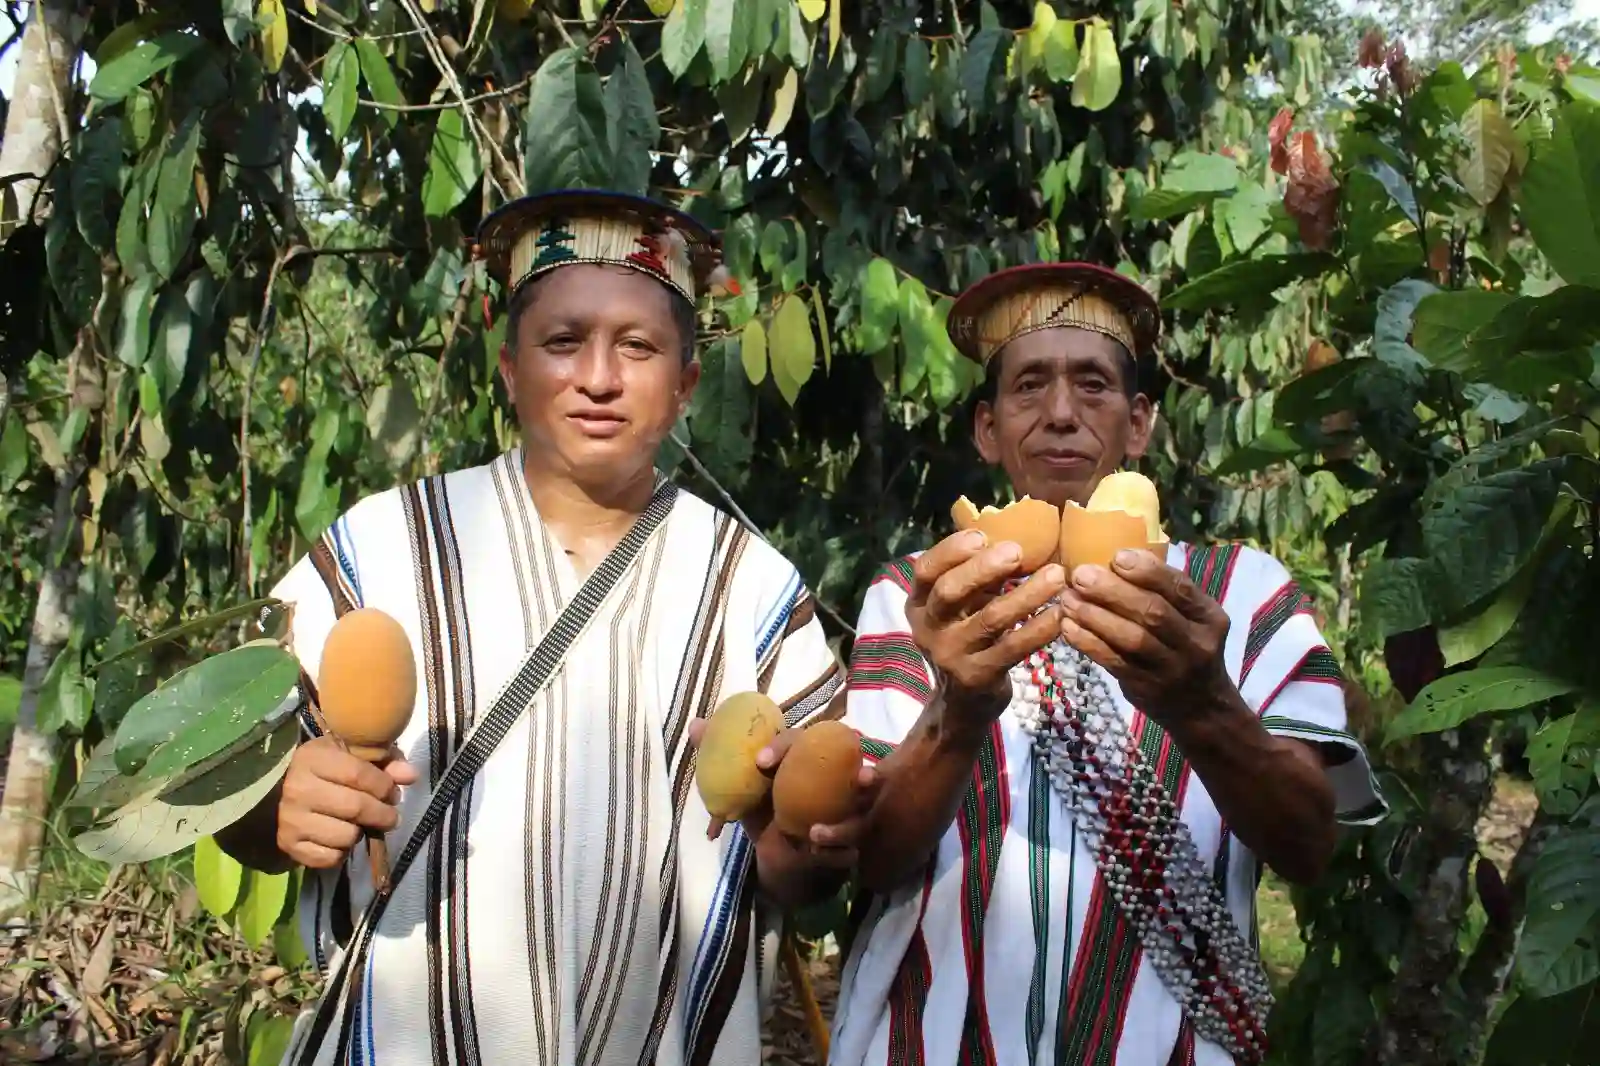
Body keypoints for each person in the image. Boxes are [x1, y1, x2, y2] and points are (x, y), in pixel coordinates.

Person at [215, 190, 865, 1066]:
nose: (599, 377)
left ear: (685, 386)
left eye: (637, 346)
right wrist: (277, 801)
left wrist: (808, 830)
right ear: (510, 369)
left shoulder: (750, 585)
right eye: (563, 341)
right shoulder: (382, 549)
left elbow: (807, 866)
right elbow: (234, 801)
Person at [823, 263, 1386, 1066]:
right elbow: (876, 859)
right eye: (1029, 386)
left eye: (1093, 385)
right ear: (987, 428)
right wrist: (960, 712)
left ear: (1139, 423)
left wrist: (1202, 705)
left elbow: (1307, 847)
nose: (1061, 413)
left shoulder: (1242, 593)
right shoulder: (923, 596)